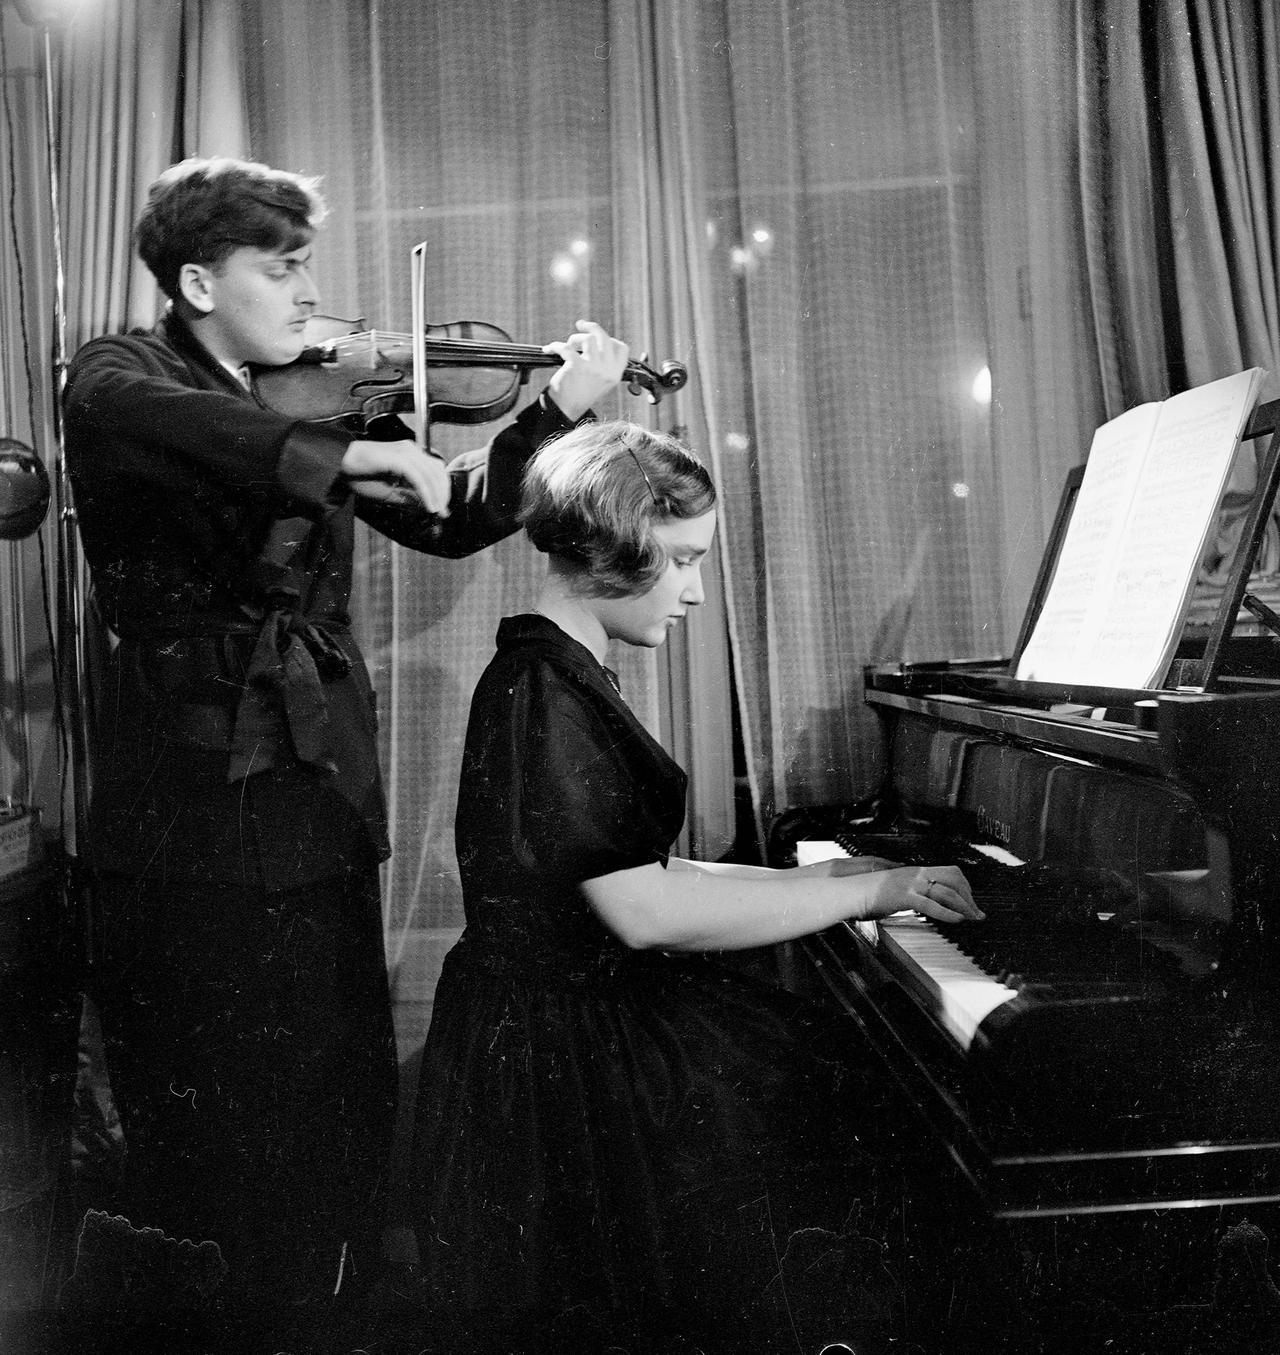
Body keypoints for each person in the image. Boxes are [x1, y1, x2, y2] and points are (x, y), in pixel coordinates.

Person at [59, 155, 627, 1330]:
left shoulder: (316, 395)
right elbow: (174, 423)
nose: (312, 294)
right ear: (202, 283)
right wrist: (359, 451)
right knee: (216, 1133)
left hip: (318, 805)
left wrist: (549, 416)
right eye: (285, 267)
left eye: (309, 264)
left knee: (335, 1101)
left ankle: (333, 1315)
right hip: (190, 824)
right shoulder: (123, 372)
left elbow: (458, 520)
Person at [408, 419, 983, 1353]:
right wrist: (868, 895)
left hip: (559, 1019)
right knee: (821, 1089)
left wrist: (832, 871)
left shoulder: (557, 671)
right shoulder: (545, 690)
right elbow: (642, 909)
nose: (697, 589)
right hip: (566, 1056)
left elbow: (630, 865)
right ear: (613, 545)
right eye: (680, 559)